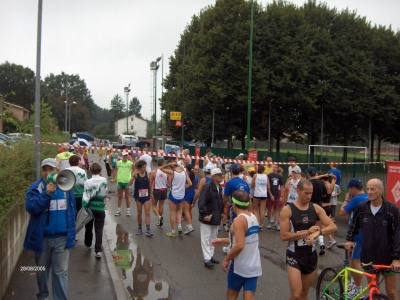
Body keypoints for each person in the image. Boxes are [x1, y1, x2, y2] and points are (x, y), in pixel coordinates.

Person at [24, 158, 76, 300]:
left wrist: (71, 232)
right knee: (41, 272)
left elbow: (71, 210)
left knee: (61, 273)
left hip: (61, 238)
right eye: (45, 170)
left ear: (57, 171)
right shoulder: (36, 187)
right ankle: (43, 296)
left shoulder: (65, 187)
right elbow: (32, 208)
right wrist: (45, 194)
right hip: (42, 238)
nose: (47, 173)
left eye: (50, 169)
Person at [280, 179, 337, 300]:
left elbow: (333, 227)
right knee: (296, 294)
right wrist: (306, 233)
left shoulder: (316, 208)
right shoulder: (288, 210)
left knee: (305, 292)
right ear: (298, 190)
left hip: (310, 255)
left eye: (311, 193)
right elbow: (284, 236)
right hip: (294, 255)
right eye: (306, 193)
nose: (309, 196)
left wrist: (318, 232)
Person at [345, 178, 400, 300]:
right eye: (368, 188)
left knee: (391, 292)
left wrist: (396, 258)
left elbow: (398, 234)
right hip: (369, 258)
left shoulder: (392, 210)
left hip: (388, 258)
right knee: (374, 293)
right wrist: (349, 239)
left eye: (372, 189)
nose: (369, 192)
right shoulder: (362, 208)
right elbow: (353, 225)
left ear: (381, 190)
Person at [212, 190, 262, 300]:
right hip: (254, 265)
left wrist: (226, 259)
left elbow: (239, 245)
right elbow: (245, 239)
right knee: (249, 297)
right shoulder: (253, 217)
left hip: (240, 265)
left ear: (234, 204)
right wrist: (223, 240)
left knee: (231, 296)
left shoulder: (239, 221)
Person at [340, 177, 368, 297]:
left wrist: (346, 200)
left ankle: (358, 288)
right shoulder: (366, 197)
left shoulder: (356, 199)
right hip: (366, 233)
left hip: (357, 235)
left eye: (349, 189)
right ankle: (354, 283)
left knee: (355, 262)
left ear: (353, 188)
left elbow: (342, 212)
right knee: (356, 261)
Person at [198, 168, 225, 268]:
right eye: (219, 175)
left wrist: (222, 212)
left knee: (213, 237)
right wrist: (204, 214)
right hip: (208, 217)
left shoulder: (219, 187)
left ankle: (210, 255)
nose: (222, 176)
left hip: (215, 217)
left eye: (222, 174)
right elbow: (202, 202)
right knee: (205, 238)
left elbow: (220, 201)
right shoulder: (208, 187)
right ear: (214, 177)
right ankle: (207, 258)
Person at [158, 161, 192, 237]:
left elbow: (159, 168)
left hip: (173, 195)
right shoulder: (184, 172)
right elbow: (190, 183)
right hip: (181, 195)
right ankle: (179, 227)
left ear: (171, 166)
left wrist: (167, 164)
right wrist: (183, 187)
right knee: (178, 211)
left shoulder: (172, 172)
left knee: (172, 212)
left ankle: (173, 231)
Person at [82, 163, 108, 258]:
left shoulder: (88, 182)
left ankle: (88, 244)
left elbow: (86, 196)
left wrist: (84, 205)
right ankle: (98, 250)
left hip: (90, 207)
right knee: (99, 229)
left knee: (88, 227)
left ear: (91, 171)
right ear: (100, 171)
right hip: (100, 207)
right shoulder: (104, 180)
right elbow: (106, 192)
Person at [306, 166, 327, 255]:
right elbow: (325, 194)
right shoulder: (321, 183)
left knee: (309, 226)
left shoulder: (308, 183)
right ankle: (321, 243)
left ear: (308, 174)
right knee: (319, 226)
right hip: (319, 205)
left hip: (309, 205)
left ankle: (310, 244)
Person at [133, 160, 153, 236]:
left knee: (147, 213)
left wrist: (151, 193)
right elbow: (130, 183)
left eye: (146, 166)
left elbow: (150, 184)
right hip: (138, 196)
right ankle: (139, 228)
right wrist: (133, 177)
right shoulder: (136, 174)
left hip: (146, 196)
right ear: (140, 167)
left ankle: (148, 229)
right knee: (139, 213)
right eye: (144, 167)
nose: (145, 168)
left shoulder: (148, 174)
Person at [115, 151, 134, 217]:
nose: (125, 157)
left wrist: (132, 178)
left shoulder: (130, 163)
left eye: (126, 155)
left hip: (127, 181)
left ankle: (128, 211)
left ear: (127, 156)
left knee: (127, 196)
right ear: (122, 156)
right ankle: (118, 210)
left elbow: (134, 170)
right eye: (124, 155)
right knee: (120, 196)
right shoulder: (118, 162)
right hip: (120, 181)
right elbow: (115, 170)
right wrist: (115, 178)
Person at [149, 159, 168, 227]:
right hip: (164, 190)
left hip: (157, 189)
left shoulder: (154, 172)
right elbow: (168, 183)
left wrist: (150, 192)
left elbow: (150, 182)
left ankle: (159, 217)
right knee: (161, 206)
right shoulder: (166, 172)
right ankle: (160, 219)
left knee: (154, 205)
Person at [267, 164, 284, 231]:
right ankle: (268, 222)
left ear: (277, 168)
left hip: (277, 194)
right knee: (269, 209)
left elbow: (282, 185)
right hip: (270, 194)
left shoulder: (279, 176)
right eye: (273, 167)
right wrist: (270, 194)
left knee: (277, 209)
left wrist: (281, 195)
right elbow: (267, 186)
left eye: (275, 167)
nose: (274, 168)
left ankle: (276, 223)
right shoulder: (269, 175)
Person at [252, 165, 269, 230]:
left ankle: (256, 223)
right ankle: (261, 225)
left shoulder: (255, 175)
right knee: (262, 210)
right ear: (263, 170)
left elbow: (252, 185)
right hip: (264, 194)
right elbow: (268, 186)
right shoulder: (266, 176)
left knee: (255, 209)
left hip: (257, 193)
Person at [183, 164, 199, 235]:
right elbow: (197, 186)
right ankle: (189, 224)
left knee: (186, 211)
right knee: (189, 211)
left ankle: (190, 226)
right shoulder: (196, 176)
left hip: (186, 193)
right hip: (193, 193)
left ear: (186, 169)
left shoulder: (185, 176)